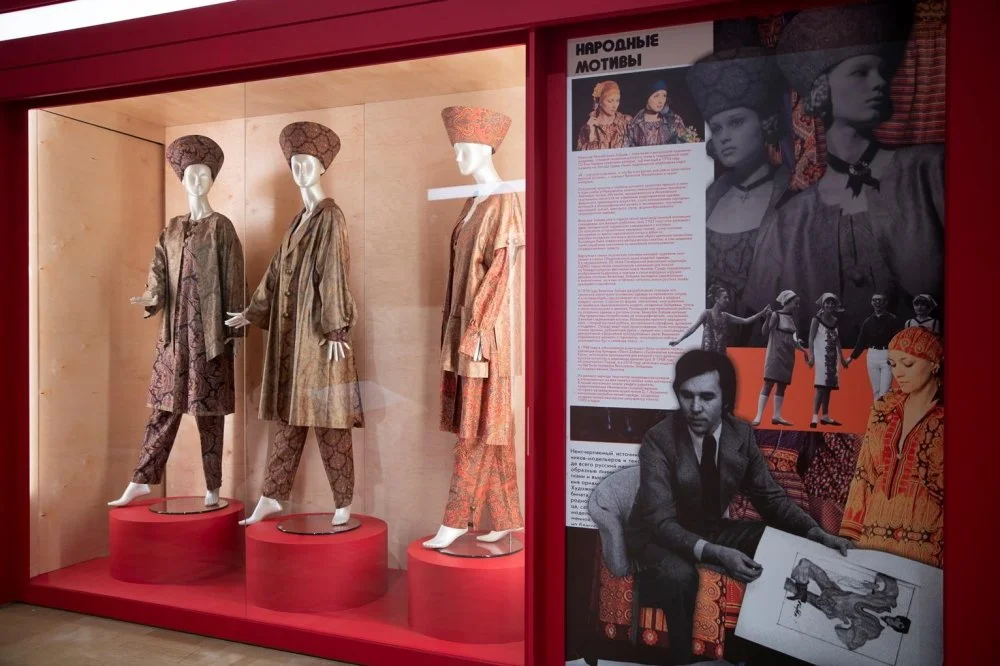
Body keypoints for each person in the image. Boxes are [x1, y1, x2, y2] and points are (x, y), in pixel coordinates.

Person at [626, 349, 851, 665]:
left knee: (772, 539)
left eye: (707, 397)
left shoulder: (740, 433)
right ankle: (682, 660)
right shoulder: (658, 440)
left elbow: (770, 498)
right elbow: (661, 522)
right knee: (681, 576)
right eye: (687, 395)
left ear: (725, 398)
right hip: (655, 536)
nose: (695, 407)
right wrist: (718, 553)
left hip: (705, 526)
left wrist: (815, 533)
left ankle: (765, 652)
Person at [746, 3, 943, 348]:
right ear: (822, 90)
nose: (879, 82)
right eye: (860, 72)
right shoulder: (789, 222)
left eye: (882, 72)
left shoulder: (928, 171)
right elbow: (761, 336)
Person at [687, 47, 791, 341]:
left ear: (765, 124)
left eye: (736, 122)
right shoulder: (708, 200)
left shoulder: (790, 200)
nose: (724, 137)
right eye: (717, 128)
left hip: (760, 338)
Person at [841, 326, 943, 567]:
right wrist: (849, 535)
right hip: (871, 539)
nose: (899, 373)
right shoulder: (883, 409)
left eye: (908, 364)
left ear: (934, 364)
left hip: (927, 548)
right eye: (893, 364)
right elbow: (864, 474)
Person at [752, 289, 808, 426]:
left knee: (782, 386)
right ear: (787, 302)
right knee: (768, 383)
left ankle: (776, 416)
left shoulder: (792, 318)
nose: (797, 306)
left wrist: (803, 351)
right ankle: (758, 416)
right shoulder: (775, 315)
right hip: (775, 354)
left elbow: (793, 340)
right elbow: (765, 332)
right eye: (795, 303)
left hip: (788, 356)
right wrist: (767, 318)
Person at [669, 285, 769, 354]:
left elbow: (745, 321)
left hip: (720, 356)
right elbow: (693, 328)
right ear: (717, 299)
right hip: (706, 356)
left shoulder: (726, 316)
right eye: (725, 298)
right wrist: (679, 340)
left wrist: (762, 312)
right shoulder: (706, 314)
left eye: (728, 298)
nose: (727, 300)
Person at [807, 293, 849, 428]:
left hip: (833, 356)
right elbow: (810, 339)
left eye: (832, 303)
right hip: (820, 356)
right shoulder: (816, 319)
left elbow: (837, 339)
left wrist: (842, 358)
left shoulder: (835, 320)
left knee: (828, 387)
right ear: (823, 304)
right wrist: (811, 356)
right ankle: (814, 417)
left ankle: (825, 416)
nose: (829, 305)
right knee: (820, 386)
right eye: (827, 303)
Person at [848, 293, 901, 400]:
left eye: (879, 300)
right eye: (874, 300)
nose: (877, 302)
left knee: (884, 391)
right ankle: (877, 411)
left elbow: (897, 340)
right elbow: (861, 341)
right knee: (876, 390)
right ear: (871, 303)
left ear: (885, 303)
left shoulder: (893, 319)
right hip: (872, 355)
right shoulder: (868, 321)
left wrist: (893, 357)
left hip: (887, 355)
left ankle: (883, 410)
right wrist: (851, 357)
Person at [624, 79, 699, 147]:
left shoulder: (674, 120)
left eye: (664, 96)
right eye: (656, 96)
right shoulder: (634, 124)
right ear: (647, 97)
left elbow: (687, 145)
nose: (661, 101)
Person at [576, 80, 631, 150]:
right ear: (599, 101)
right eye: (610, 101)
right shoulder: (587, 128)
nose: (615, 106)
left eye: (617, 101)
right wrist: (591, 136)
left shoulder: (626, 122)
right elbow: (583, 155)